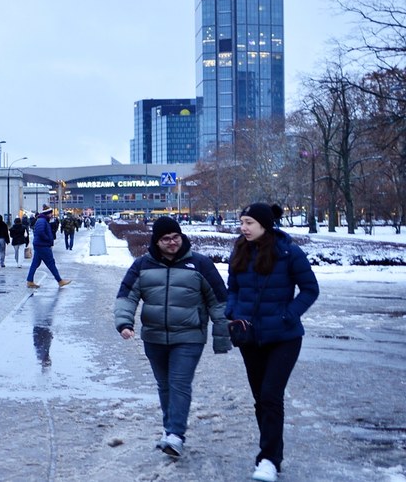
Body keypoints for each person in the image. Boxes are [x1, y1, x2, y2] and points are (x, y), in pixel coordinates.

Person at [114, 216, 230, 459]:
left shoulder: (199, 264)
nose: (172, 242)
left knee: (179, 383)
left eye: (175, 237)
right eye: (165, 239)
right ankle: (170, 431)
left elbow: (219, 300)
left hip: (189, 337)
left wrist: (222, 336)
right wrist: (124, 323)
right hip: (154, 337)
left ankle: (176, 434)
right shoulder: (142, 265)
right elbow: (127, 296)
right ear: (156, 242)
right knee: (165, 385)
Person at [227, 203, 319, 482]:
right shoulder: (239, 250)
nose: (243, 227)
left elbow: (310, 289)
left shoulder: (289, 252)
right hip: (249, 337)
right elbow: (233, 288)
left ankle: (268, 460)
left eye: (249, 222)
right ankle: (270, 453)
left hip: (284, 338)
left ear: (265, 225)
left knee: (270, 395)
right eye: (242, 221)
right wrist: (232, 311)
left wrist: (288, 315)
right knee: (260, 399)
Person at [27, 206, 70, 288]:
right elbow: (40, 232)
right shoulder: (42, 221)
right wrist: (47, 239)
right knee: (51, 263)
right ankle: (60, 281)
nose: (51, 215)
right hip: (43, 245)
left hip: (40, 245)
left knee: (35, 263)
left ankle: (30, 281)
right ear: (47, 213)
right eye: (50, 213)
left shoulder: (42, 220)